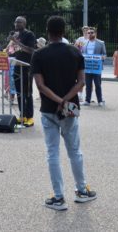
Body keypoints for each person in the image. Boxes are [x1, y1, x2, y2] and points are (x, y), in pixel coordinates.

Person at [31, 16, 96, 211]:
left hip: (49, 108)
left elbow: (40, 86)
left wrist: (58, 101)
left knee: (52, 153)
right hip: (70, 109)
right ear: (64, 31)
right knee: (75, 151)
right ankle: (82, 190)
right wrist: (66, 101)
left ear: (48, 31)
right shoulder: (75, 52)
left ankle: (58, 197)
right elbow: (82, 82)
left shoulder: (39, 54)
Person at [10, 16, 36, 127]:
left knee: (27, 93)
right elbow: (14, 51)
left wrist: (16, 42)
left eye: (19, 22)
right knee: (19, 92)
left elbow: (31, 50)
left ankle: (30, 118)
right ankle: (22, 115)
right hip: (17, 66)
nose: (16, 24)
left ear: (24, 23)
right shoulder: (17, 35)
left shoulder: (29, 34)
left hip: (27, 68)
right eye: (15, 22)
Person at [81, 27, 106, 106]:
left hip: (96, 68)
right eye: (88, 33)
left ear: (95, 33)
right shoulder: (84, 44)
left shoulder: (101, 43)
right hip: (87, 68)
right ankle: (87, 100)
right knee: (88, 85)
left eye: (92, 32)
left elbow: (104, 54)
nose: (90, 34)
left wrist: (102, 57)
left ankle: (100, 101)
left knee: (98, 84)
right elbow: (82, 54)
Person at [75, 26, 89, 102]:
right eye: (84, 31)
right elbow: (75, 47)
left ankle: (89, 96)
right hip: (81, 60)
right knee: (81, 78)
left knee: (89, 79)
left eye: (87, 31)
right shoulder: (80, 39)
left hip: (89, 61)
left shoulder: (91, 39)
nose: (85, 32)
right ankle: (80, 95)